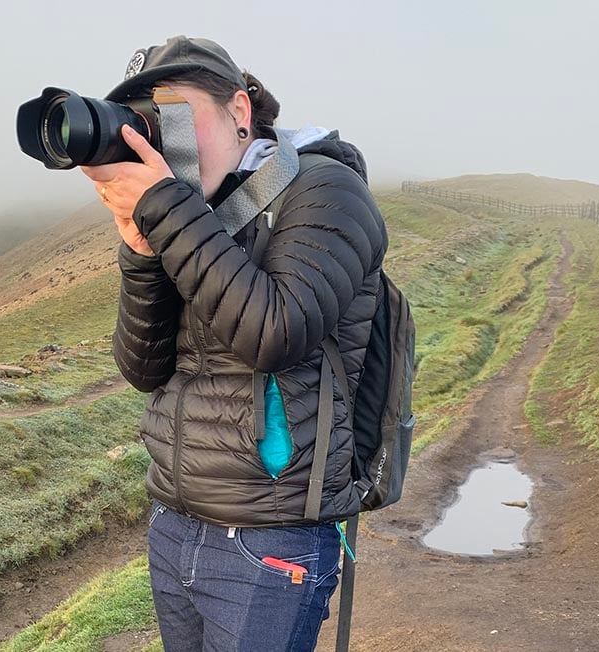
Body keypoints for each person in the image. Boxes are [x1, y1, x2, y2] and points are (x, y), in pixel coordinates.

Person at [81, 35, 388, 652]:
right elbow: (143, 368)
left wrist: (167, 211)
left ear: (240, 113)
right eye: (146, 119)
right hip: (174, 521)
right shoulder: (193, 211)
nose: (161, 134)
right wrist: (141, 256)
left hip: (270, 538)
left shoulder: (325, 191)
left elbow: (274, 333)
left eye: (173, 109)